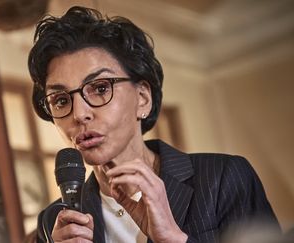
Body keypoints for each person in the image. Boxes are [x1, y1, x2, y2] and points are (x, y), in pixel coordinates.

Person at [27, 6, 280, 243]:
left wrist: (173, 238)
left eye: (100, 88)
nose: (79, 114)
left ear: (143, 99)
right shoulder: (54, 222)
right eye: (60, 100)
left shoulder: (224, 178)